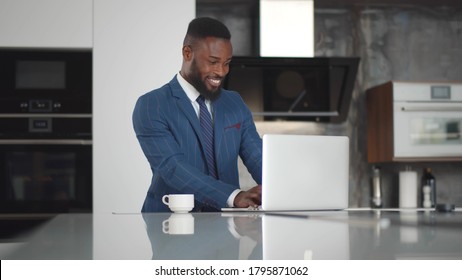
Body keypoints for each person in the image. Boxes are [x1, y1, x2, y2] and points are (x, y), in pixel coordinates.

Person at [132, 17, 262, 212]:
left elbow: (256, 155)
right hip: (171, 225)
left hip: (225, 225)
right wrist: (233, 196)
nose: (221, 72)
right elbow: (173, 168)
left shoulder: (234, 103)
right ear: (187, 53)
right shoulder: (152, 105)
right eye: (213, 62)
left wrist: (279, 188)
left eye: (227, 63)